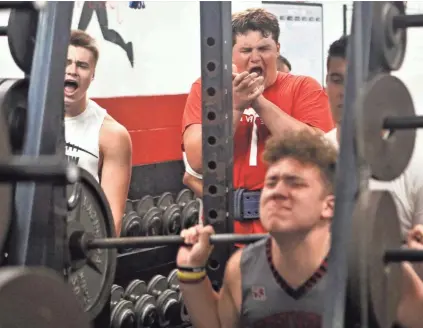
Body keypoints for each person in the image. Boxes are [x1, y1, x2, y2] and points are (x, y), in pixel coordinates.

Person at [177, 130, 423, 328]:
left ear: (329, 206)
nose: (277, 191)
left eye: (295, 183)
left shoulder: (378, 271)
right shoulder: (241, 269)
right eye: (271, 182)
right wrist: (191, 270)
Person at [182, 8, 334, 237]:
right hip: (225, 227)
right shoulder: (206, 89)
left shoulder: (304, 88)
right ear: (229, 53)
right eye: (245, 50)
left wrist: (259, 102)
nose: (255, 58)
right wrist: (235, 107)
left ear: (278, 50)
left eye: (264, 49)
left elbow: (319, 153)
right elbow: (197, 161)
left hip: (287, 226)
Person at [324, 35, 423, 263]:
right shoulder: (312, 156)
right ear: (326, 84)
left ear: (380, 88)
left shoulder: (415, 164)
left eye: (357, 82)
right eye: (336, 80)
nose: (344, 92)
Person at [64, 29, 132, 235]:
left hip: (76, 245)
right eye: (66, 62)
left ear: (92, 75)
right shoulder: (24, 119)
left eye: (82, 65)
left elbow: (112, 223)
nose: (72, 71)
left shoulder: (111, 135)